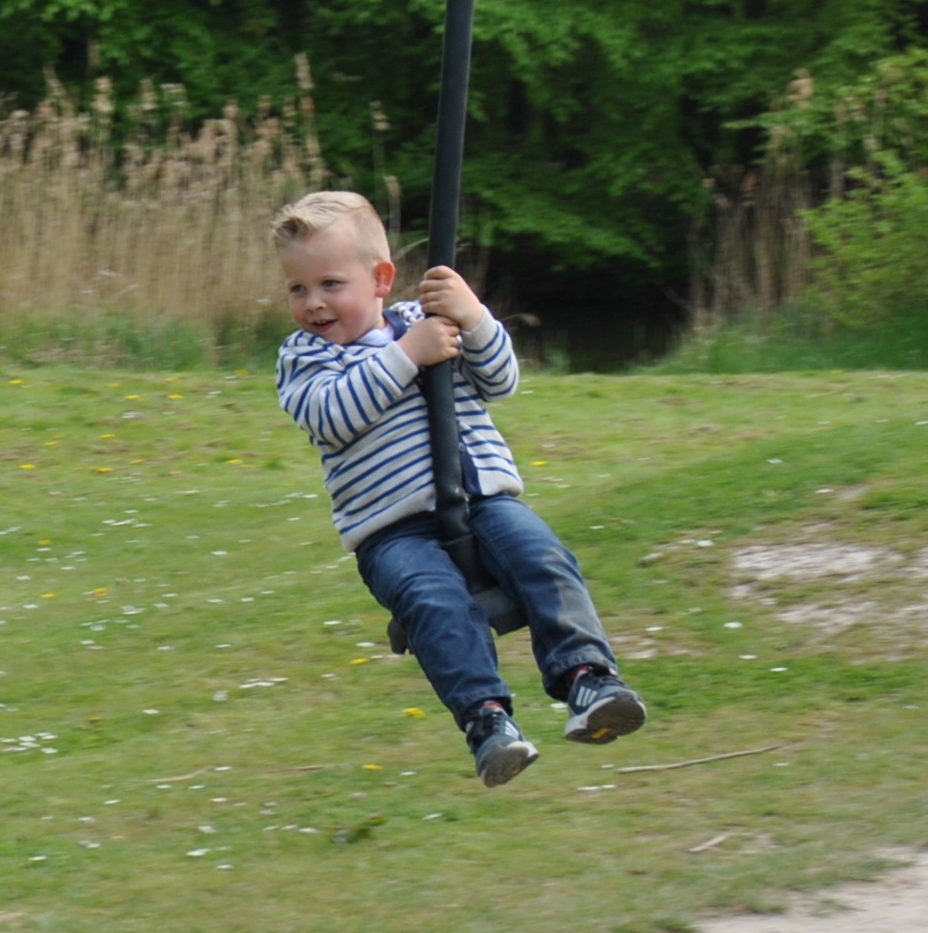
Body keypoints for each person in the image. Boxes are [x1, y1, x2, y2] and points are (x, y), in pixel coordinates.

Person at [271, 190, 646, 786]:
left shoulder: (429, 322)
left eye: (330, 284)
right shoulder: (306, 358)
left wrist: (474, 319)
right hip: (392, 532)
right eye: (298, 288)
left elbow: (501, 381)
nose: (313, 302)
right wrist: (407, 356)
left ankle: (588, 679)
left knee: (545, 558)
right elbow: (332, 417)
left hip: (485, 500)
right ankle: (488, 721)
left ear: (380, 279)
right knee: (434, 602)